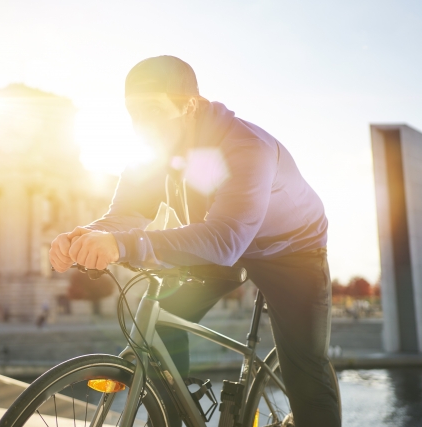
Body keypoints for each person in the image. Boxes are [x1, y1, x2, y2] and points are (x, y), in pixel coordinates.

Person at [49, 55, 340, 427]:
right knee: (155, 329)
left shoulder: (245, 147)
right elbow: (125, 213)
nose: (141, 126)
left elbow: (224, 240)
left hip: (292, 250)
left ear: (190, 106)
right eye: (133, 114)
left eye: (153, 111)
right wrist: (86, 235)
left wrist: (124, 245)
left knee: (305, 368)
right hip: (222, 240)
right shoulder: (154, 154)